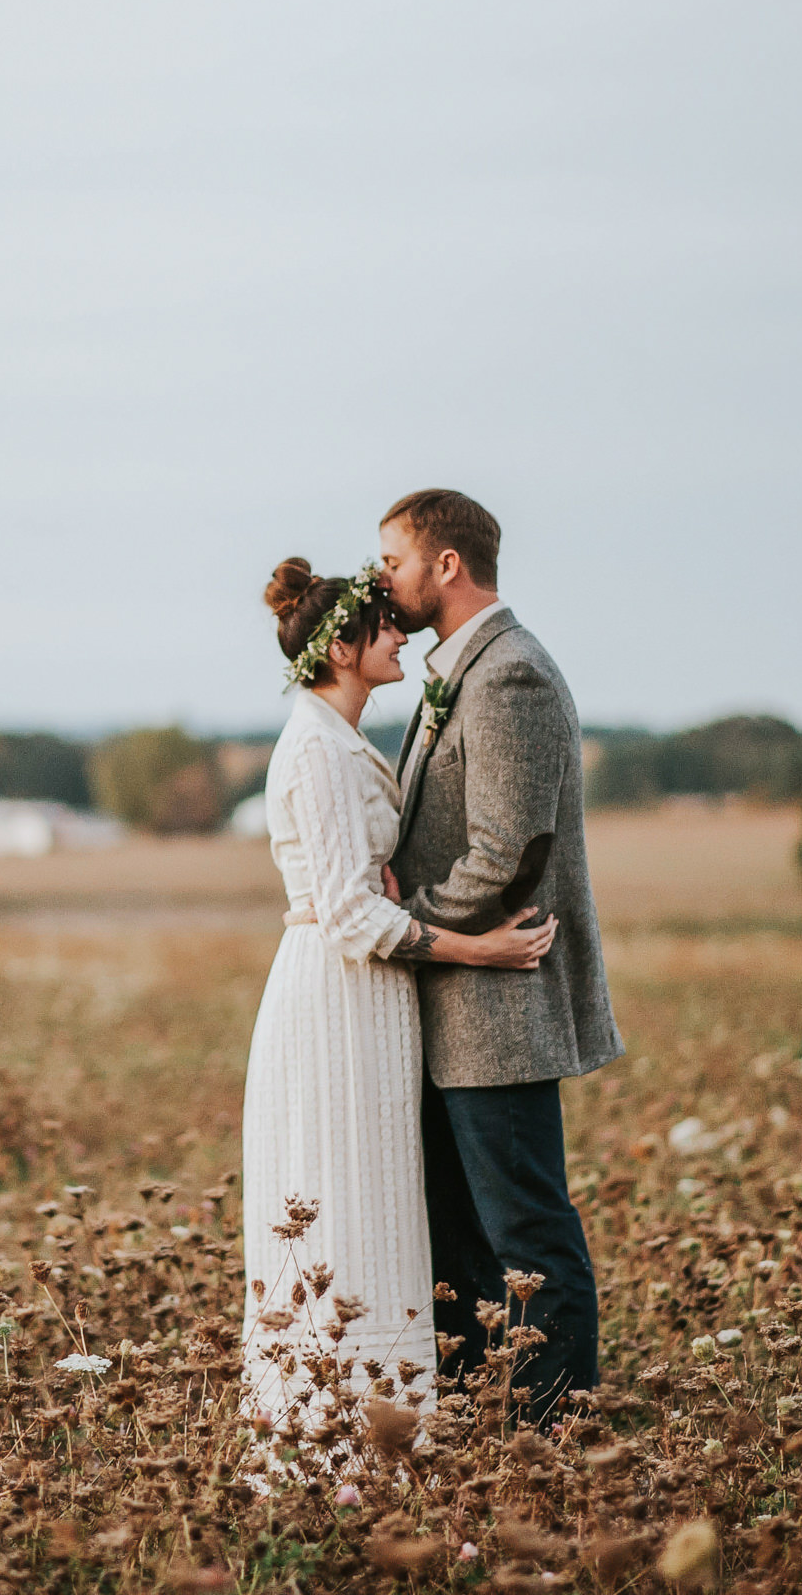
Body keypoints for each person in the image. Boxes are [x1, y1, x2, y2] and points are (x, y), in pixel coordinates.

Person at [238, 556, 557, 1469]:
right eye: (384, 626)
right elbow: (347, 914)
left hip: (368, 1001)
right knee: (341, 1205)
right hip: (335, 1000)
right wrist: (479, 948)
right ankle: (336, 1444)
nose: (402, 636)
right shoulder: (315, 748)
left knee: (378, 1204)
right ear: (340, 646)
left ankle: (388, 1427)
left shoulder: (339, 737)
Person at [376, 489, 622, 1428]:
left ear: (446, 565)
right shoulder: (457, 671)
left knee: (527, 1232)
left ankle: (554, 1430)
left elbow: (510, 853)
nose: (382, 580)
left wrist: (409, 921)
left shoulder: (510, 673)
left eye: (393, 559)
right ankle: (490, 1419)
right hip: (457, 1003)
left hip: (500, 1004)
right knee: (467, 1239)